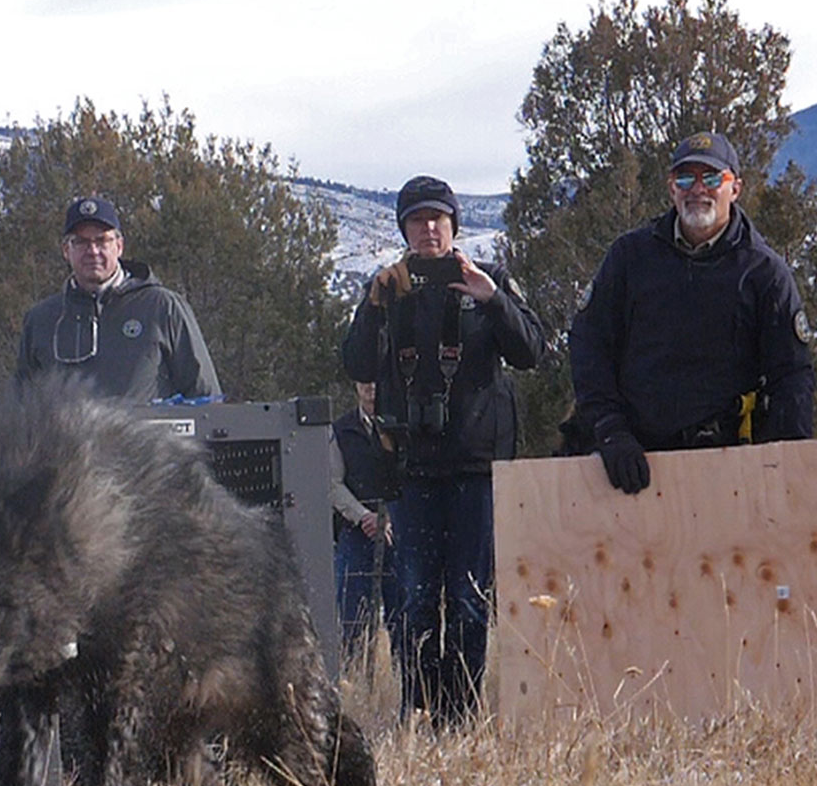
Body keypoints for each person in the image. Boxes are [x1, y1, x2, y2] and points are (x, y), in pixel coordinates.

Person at [341, 175, 544, 725]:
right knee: (413, 597)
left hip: (476, 467)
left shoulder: (488, 280)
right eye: (417, 220)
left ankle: (462, 712)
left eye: (438, 219)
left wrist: (493, 300)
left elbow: (532, 351)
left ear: (454, 225)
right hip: (410, 469)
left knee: (471, 597)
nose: (428, 229)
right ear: (403, 228)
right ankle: (419, 708)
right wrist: (374, 308)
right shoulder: (387, 288)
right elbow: (357, 365)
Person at [569, 130, 814, 493]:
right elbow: (590, 346)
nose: (698, 189)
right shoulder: (629, 258)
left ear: (736, 188)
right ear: (671, 188)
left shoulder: (764, 272)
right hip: (633, 466)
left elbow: (791, 376)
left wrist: (784, 472)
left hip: (732, 469)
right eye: (686, 178)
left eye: (712, 178)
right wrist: (610, 432)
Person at [15, 196, 219, 402]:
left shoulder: (163, 307)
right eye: (81, 242)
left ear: (119, 246)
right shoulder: (40, 320)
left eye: (102, 240)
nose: (93, 251)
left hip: (145, 434)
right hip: (65, 435)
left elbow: (205, 398)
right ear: (66, 251)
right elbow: (21, 406)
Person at [330, 380, 400, 663]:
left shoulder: (401, 424)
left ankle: (405, 689)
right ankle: (355, 689)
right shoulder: (339, 429)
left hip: (400, 533)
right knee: (352, 623)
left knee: (404, 620)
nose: (371, 386)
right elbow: (332, 483)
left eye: (375, 379)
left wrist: (391, 519)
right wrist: (365, 518)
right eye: (363, 380)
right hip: (355, 535)